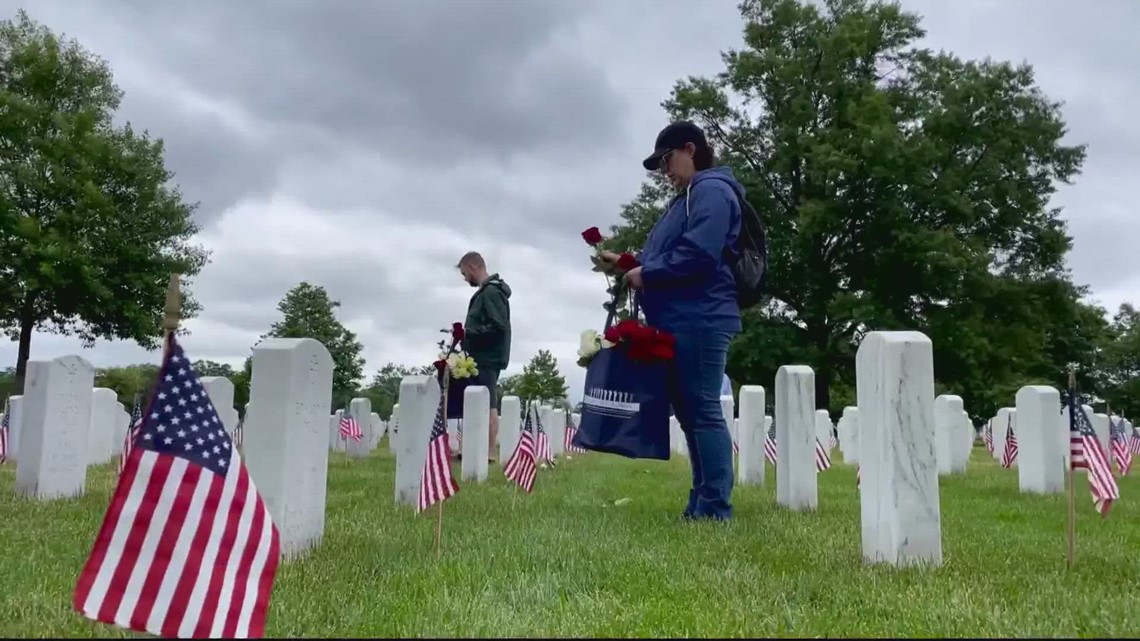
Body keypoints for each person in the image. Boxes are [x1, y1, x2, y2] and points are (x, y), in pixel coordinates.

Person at [602, 121, 743, 521]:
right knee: (689, 412)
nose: (664, 170)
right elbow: (669, 255)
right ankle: (701, 501)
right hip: (681, 316)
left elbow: (700, 253)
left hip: (700, 316)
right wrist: (629, 264)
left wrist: (646, 274)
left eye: (666, 160)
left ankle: (715, 507)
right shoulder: (688, 197)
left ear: (690, 149)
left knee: (702, 411)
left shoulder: (711, 191)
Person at [456, 251, 512, 463]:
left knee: (489, 403)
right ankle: (475, 448)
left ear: (473, 267)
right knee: (479, 402)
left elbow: (499, 326)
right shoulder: (488, 291)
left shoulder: (490, 293)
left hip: (488, 357)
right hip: (481, 356)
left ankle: (488, 452)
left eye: (464, 273)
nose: (464, 278)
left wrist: (471, 334)